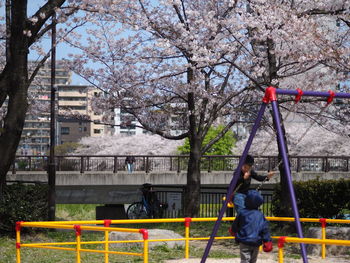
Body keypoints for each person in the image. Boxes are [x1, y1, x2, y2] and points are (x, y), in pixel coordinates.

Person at [229, 190, 273, 263]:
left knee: (245, 260)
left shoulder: (242, 213)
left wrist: (233, 231)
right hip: (256, 241)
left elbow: (236, 224)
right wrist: (267, 241)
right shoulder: (260, 215)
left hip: (244, 241)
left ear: (246, 201)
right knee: (253, 260)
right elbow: (265, 229)